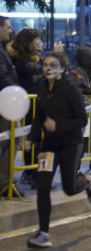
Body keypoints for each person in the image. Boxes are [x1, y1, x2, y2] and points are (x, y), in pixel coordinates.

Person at [24, 52, 91, 248]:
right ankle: (43, 233)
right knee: (43, 186)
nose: (47, 68)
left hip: (70, 144)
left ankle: (87, 184)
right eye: (45, 64)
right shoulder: (42, 88)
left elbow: (82, 120)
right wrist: (31, 139)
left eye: (52, 65)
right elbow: (39, 118)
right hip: (49, 145)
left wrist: (58, 126)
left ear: (62, 69)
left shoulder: (70, 89)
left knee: (69, 188)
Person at [8, 29, 44, 188]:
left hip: (41, 105)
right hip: (30, 106)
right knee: (33, 140)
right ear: (29, 42)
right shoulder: (21, 61)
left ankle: (40, 174)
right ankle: (32, 173)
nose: (40, 42)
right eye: (37, 40)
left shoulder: (36, 59)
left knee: (43, 141)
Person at [0, 16, 20, 197]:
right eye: (7, 27)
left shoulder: (3, 49)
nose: (10, 30)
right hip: (5, 104)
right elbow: (3, 77)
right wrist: (17, 92)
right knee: (12, 140)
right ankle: (4, 182)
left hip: (7, 102)